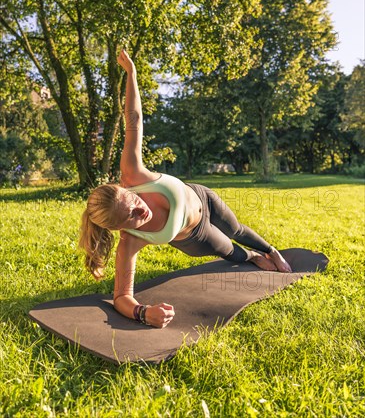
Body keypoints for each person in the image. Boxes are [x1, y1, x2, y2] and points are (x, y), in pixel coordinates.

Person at [79, 49, 292, 329]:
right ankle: (254, 256)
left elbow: (134, 120)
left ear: (124, 187)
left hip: (202, 195)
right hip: (195, 236)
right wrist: (144, 312)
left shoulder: (133, 172)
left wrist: (131, 74)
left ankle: (270, 250)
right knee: (230, 250)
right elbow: (121, 296)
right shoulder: (130, 242)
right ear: (121, 228)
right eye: (130, 216)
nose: (138, 209)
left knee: (237, 229)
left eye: (132, 200)